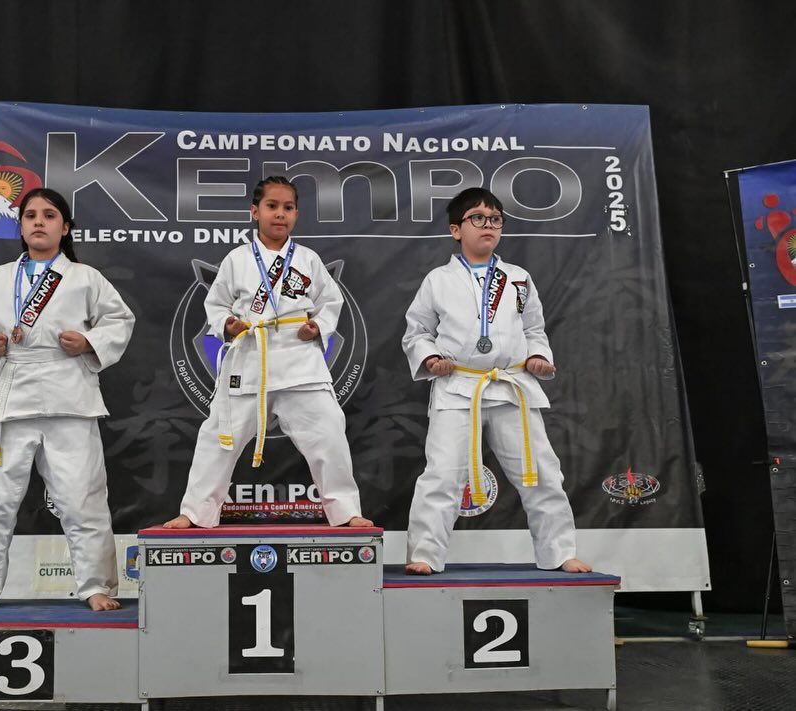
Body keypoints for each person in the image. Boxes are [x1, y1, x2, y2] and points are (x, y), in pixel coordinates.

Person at [0, 187, 135, 611]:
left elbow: (120, 319)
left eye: (49, 215)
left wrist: (89, 341)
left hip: (69, 397)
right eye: (30, 215)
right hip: (9, 395)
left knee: (82, 498)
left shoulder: (85, 277)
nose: (38, 221)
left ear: (64, 227)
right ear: (20, 226)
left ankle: (96, 586)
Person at [402, 186, 591, 575]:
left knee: (542, 473)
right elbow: (416, 332)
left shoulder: (518, 278)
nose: (488, 225)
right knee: (442, 475)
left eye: (495, 219)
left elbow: (534, 329)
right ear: (456, 230)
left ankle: (559, 552)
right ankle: (424, 554)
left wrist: (539, 357)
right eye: (478, 218)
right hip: (458, 388)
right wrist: (431, 358)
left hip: (511, 387)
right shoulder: (438, 280)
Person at [164, 176, 372, 529]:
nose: (280, 214)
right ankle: (195, 512)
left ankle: (346, 510)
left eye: (288, 208)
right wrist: (228, 323)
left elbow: (330, 302)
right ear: (254, 212)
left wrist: (317, 326)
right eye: (272, 206)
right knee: (217, 437)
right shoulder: (237, 259)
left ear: (296, 215)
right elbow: (215, 304)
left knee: (329, 433)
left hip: (299, 360)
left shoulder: (307, 259)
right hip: (250, 358)